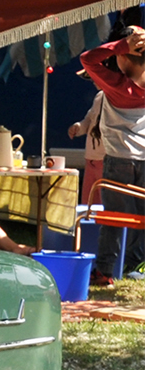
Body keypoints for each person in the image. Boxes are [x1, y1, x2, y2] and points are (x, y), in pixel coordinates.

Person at [78, 26, 145, 285]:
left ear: (124, 57)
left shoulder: (117, 85)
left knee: (114, 218)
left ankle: (105, 270)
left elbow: (87, 59)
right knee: (142, 218)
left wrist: (120, 45)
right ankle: (135, 266)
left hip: (119, 160)